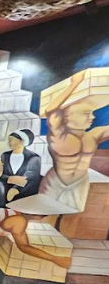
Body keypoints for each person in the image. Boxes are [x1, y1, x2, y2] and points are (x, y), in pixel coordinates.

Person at [40, 71, 109, 211]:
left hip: (80, 183)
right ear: (66, 118)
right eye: (86, 113)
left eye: (92, 113)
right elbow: (51, 110)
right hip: (55, 182)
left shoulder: (94, 135)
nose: (92, 117)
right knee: (44, 213)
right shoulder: (58, 134)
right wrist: (75, 84)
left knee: (72, 216)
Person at [0, 129, 42, 203]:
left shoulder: (34, 157)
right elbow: (0, 173)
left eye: (11, 140)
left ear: (21, 141)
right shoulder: (5, 155)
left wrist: (15, 189)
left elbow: (30, 177)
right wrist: (8, 178)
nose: (8, 143)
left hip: (25, 191)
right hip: (5, 189)